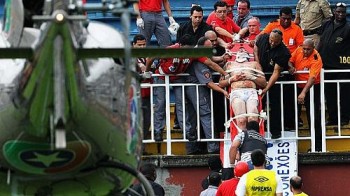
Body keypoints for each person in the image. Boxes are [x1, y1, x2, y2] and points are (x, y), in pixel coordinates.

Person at [146, 34, 228, 142]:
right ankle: (158, 131)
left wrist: (225, 73)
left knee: (181, 105)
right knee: (161, 104)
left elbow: (211, 63)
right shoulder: (170, 50)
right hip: (162, 76)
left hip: (178, 77)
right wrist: (147, 71)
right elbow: (151, 56)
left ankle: (187, 131)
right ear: (180, 46)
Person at [260, 7, 304, 131]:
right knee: (269, 100)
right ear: (279, 17)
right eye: (283, 18)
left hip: (289, 64)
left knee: (289, 98)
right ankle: (264, 126)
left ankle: (291, 123)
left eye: (288, 19)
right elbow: (260, 41)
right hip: (271, 66)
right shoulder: (272, 25)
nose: (285, 21)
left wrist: (289, 62)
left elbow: (300, 48)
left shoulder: (297, 29)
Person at [184, 37, 230, 154]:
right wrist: (223, 90)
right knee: (206, 114)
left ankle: (191, 148)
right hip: (197, 90)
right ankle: (213, 146)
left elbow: (211, 61)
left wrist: (221, 59)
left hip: (190, 88)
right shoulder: (199, 62)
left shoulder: (199, 55)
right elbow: (208, 83)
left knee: (192, 118)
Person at [254, 29, 291, 139]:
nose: (273, 43)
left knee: (275, 105)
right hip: (259, 74)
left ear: (281, 40)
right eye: (271, 40)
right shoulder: (263, 38)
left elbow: (276, 73)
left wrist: (266, 88)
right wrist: (258, 66)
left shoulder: (283, 52)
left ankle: (275, 131)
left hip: (274, 80)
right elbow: (255, 48)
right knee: (258, 105)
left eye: (276, 42)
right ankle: (257, 130)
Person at [318, 2, 350, 126]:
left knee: (344, 94)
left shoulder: (348, 27)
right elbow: (321, 41)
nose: (340, 14)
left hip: (342, 66)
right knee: (330, 94)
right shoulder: (327, 24)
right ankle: (333, 118)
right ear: (334, 12)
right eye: (338, 11)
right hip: (326, 66)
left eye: (343, 12)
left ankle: (344, 118)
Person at [289, 39, 323, 151]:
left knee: (313, 116)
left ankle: (317, 147)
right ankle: (291, 146)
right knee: (292, 114)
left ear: (313, 48)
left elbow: (312, 78)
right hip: (297, 86)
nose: (305, 51)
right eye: (304, 48)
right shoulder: (298, 50)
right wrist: (291, 67)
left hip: (312, 88)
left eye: (308, 49)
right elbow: (290, 60)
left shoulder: (316, 58)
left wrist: (303, 92)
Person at [219, 50, 266, 130]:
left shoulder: (254, 64)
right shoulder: (229, 65)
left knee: (252, 119)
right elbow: (221, 83)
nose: (241, 49)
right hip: (237, 92)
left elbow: (264, 83)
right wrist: (232, 79)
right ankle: (243, 140)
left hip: (251, 92)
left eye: (243, 49)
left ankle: (253, 140)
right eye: (240, 49)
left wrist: (251, 77)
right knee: (241, 120)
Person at [132, 34, 152, 142]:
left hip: (146, 93)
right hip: (133, 95)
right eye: (139, 45)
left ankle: (142, 148)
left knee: (146, 121)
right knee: (135, 121)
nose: (142, 47)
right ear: (133, 45)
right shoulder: (130, 56)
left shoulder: (147, 55)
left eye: (144, 45)